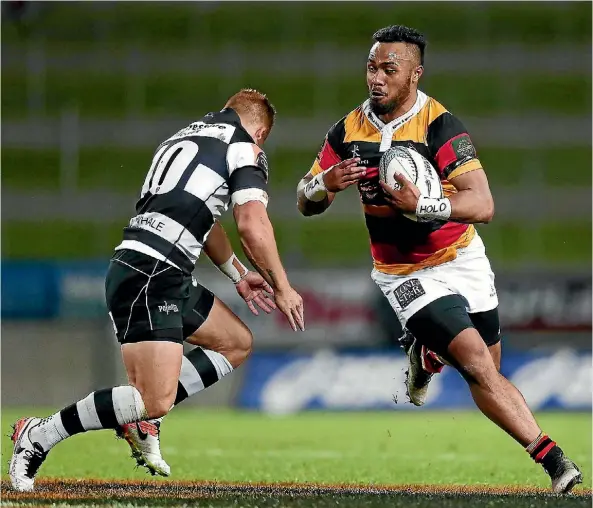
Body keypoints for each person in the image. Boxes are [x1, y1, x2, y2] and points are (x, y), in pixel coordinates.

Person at [296, 25, 582, 494]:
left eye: (390, 68)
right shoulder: (346, 130)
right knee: (475, 364)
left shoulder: (440, 125)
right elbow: (306, 202)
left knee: (489, 364)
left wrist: (420, 206)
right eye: (372, 66)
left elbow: (483, 205)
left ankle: (426, 355)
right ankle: (556, 463)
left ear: (415, 73)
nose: (377, 78)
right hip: (403, 272)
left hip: (462, 257)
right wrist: (324, 183)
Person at [10, 89, 305, 491]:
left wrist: (237, 273)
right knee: (153, 397)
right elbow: (252, 223)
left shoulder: (185, 137)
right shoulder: (243, 146)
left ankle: (144, 422)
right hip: (153, 272)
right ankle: (39, 434)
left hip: (158, 268)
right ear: (261, 133)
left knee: (235, 343)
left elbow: (209, 219)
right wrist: (283, 287)